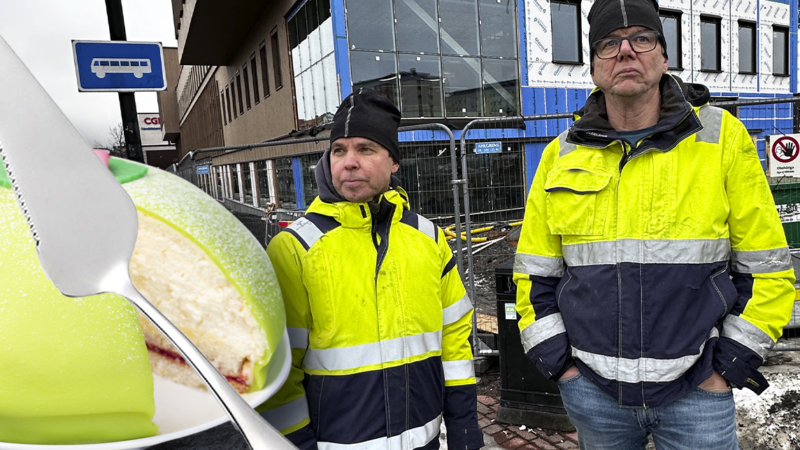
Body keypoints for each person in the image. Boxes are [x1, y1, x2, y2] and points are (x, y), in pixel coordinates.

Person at [512, 0, 796, 448]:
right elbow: (534, 273)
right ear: (593, 69)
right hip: (594, 394)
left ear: (664, 58)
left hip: (698, 392)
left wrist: (729, 364)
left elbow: (767, 267)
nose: (626, 52)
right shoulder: (560, 154)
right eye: (608, 44)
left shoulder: (720, 138)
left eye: (641, 38)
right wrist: (561, 366)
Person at [261, 88, 484, 450]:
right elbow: (278, 369)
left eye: (365, 149)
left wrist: (464, 429)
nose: (349, 161)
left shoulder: (428, 238)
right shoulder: (295, 249)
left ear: (394, 161)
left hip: (424, 441)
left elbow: (455, 342)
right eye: (339, 150)